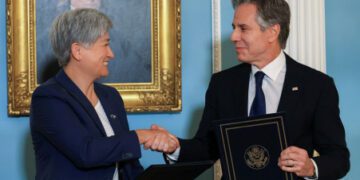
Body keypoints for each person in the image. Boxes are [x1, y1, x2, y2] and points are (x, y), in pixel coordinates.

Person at [154, 0, 350, 179]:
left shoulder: (317, 85)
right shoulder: (222, 84)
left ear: (272, 32)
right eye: (234, 28)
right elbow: (207, 148)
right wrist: (175, 147)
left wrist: (310, 167)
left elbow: (339, 158)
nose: (233, 36)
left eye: (243, 28)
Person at [30, 9, 178, 180]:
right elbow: (86, 152)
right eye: (105, 44)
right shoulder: (48, 98)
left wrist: (170, 153)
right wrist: (142, 135)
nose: (111, 54)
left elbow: (128, 167)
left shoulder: (111, 97)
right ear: (77, 51)